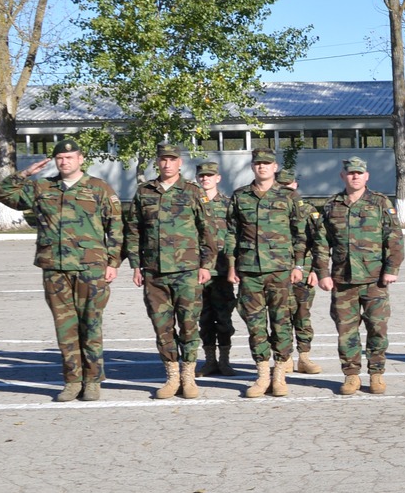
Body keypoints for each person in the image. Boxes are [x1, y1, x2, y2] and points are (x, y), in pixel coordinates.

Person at [0, 141, 123, 401]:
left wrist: (113, 263)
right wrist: (26, 172)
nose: (64, 161)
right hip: (54, 268)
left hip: (91, 267)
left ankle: (93, 380)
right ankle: (72, 380)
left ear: (81, 158)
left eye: (69, 157)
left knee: (91, 324)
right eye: (60, 158)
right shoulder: (42, 187)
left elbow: (116, 227)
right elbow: (4, 193)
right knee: (65, 327)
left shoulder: (98, 188)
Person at [123, 143, 215, 400]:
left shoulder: (193, 191)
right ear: (157, 162)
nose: (167, 164)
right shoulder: (144, 192)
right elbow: (133, 230)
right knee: (162, 326)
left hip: (187, 270)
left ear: (180, 163)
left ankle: (188, 376)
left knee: (188, 324)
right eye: (163, 159)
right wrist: (135, 265)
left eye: (172, 159)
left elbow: (208, 229)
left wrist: (206, 265)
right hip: (154, 271)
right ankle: (172, 376)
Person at [227, 147, 312, 397]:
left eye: (267, 163)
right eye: (258, 163)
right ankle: (262, 374)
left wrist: (298, 266)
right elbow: (231, 232)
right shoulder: (240, 196)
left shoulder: (289, 197)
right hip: (250, 270)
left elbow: (300, 234)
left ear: (275, 167)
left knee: (282, 322)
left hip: (280, 270)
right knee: (255, 324)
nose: (262, 167)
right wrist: (232, 265)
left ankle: (279, 375)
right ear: (252, 167)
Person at [316, 157, 404, 395]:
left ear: (367, 176)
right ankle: (351, 375)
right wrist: (322, 273)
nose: (355, 176)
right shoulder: (332, 205)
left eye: (359, 173)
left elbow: (394, 238)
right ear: (342, 176)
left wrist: (391, 269)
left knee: (377, 327)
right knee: (346, 331)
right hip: (342, 280)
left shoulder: (379, 202)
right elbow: (322, 243)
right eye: (350, 173)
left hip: (375, 279)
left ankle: (376, 374)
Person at [279, 166, 327, 375]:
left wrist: (316, 269)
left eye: (288, 185)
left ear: (295, 185)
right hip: (278, 270)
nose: (286, 190)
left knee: (302, 314)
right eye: (281, 186)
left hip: (305, 270)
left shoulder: (308, 210)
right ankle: (285, 356)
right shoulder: (272, 209)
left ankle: (304, 357)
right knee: (280, 314)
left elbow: (320, 242)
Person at [196, 162, 238, 377]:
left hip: (221, 272)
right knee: (203, 319)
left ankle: (224, 361)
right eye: (202, 176)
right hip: (198, 271)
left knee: (224, 319)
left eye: (210, 176)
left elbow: (235, 236)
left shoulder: (229, 205)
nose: (205, 179)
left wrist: (233, 267)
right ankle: (209, 361)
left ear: (218, 178)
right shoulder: (191, 203)